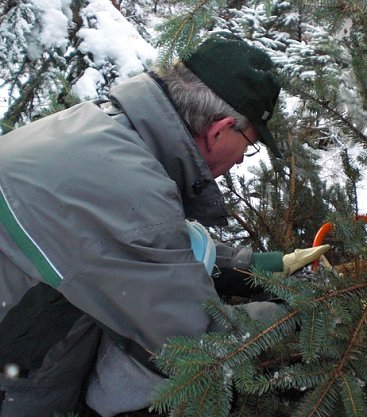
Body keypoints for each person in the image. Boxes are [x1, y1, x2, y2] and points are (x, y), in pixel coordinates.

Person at [0, 35, 329, 416]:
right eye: (249, 144)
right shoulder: (130, 191)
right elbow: (193, 341)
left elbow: (145, 247)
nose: (241, 160)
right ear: (220, 128)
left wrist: (266, 267)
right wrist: (303, 312)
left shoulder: (102, 127)